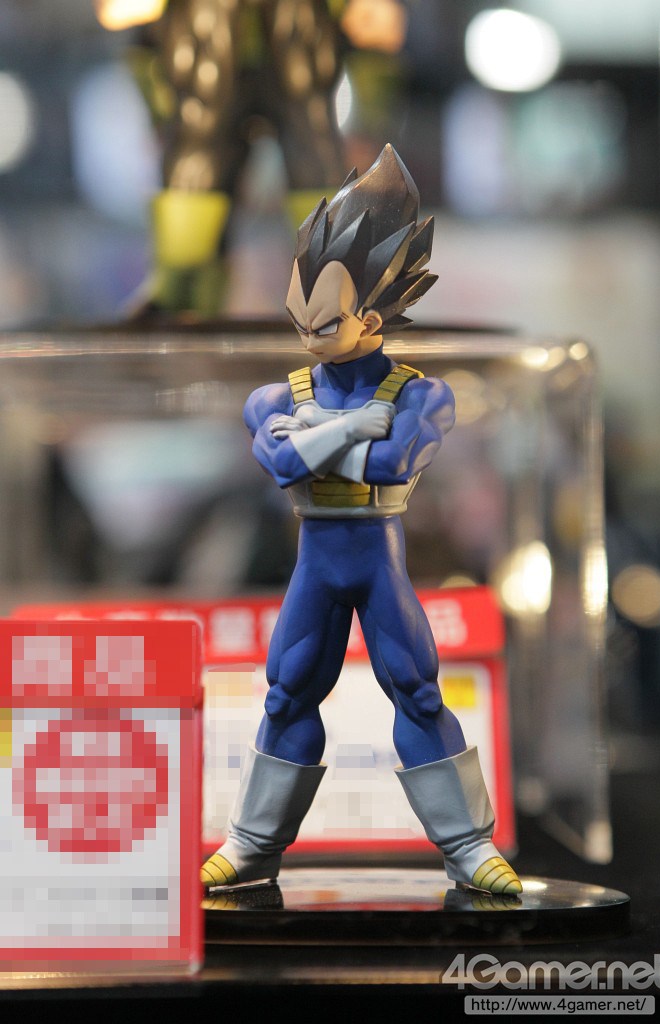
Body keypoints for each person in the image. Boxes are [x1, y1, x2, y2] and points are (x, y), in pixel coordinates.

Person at [200, 144, 521, 895]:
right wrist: (347, 428)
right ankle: (253, 843)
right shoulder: (275, 396)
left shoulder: (421, 394)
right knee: (287, 693)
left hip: (379, 564)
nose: (306, 333)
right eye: (299, 316)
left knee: (416, 691)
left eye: (323, 321)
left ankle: (468, 847)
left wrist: (318, 439)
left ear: (371, 316)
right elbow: (283, 465)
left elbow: (391, 465)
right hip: (318, 564)